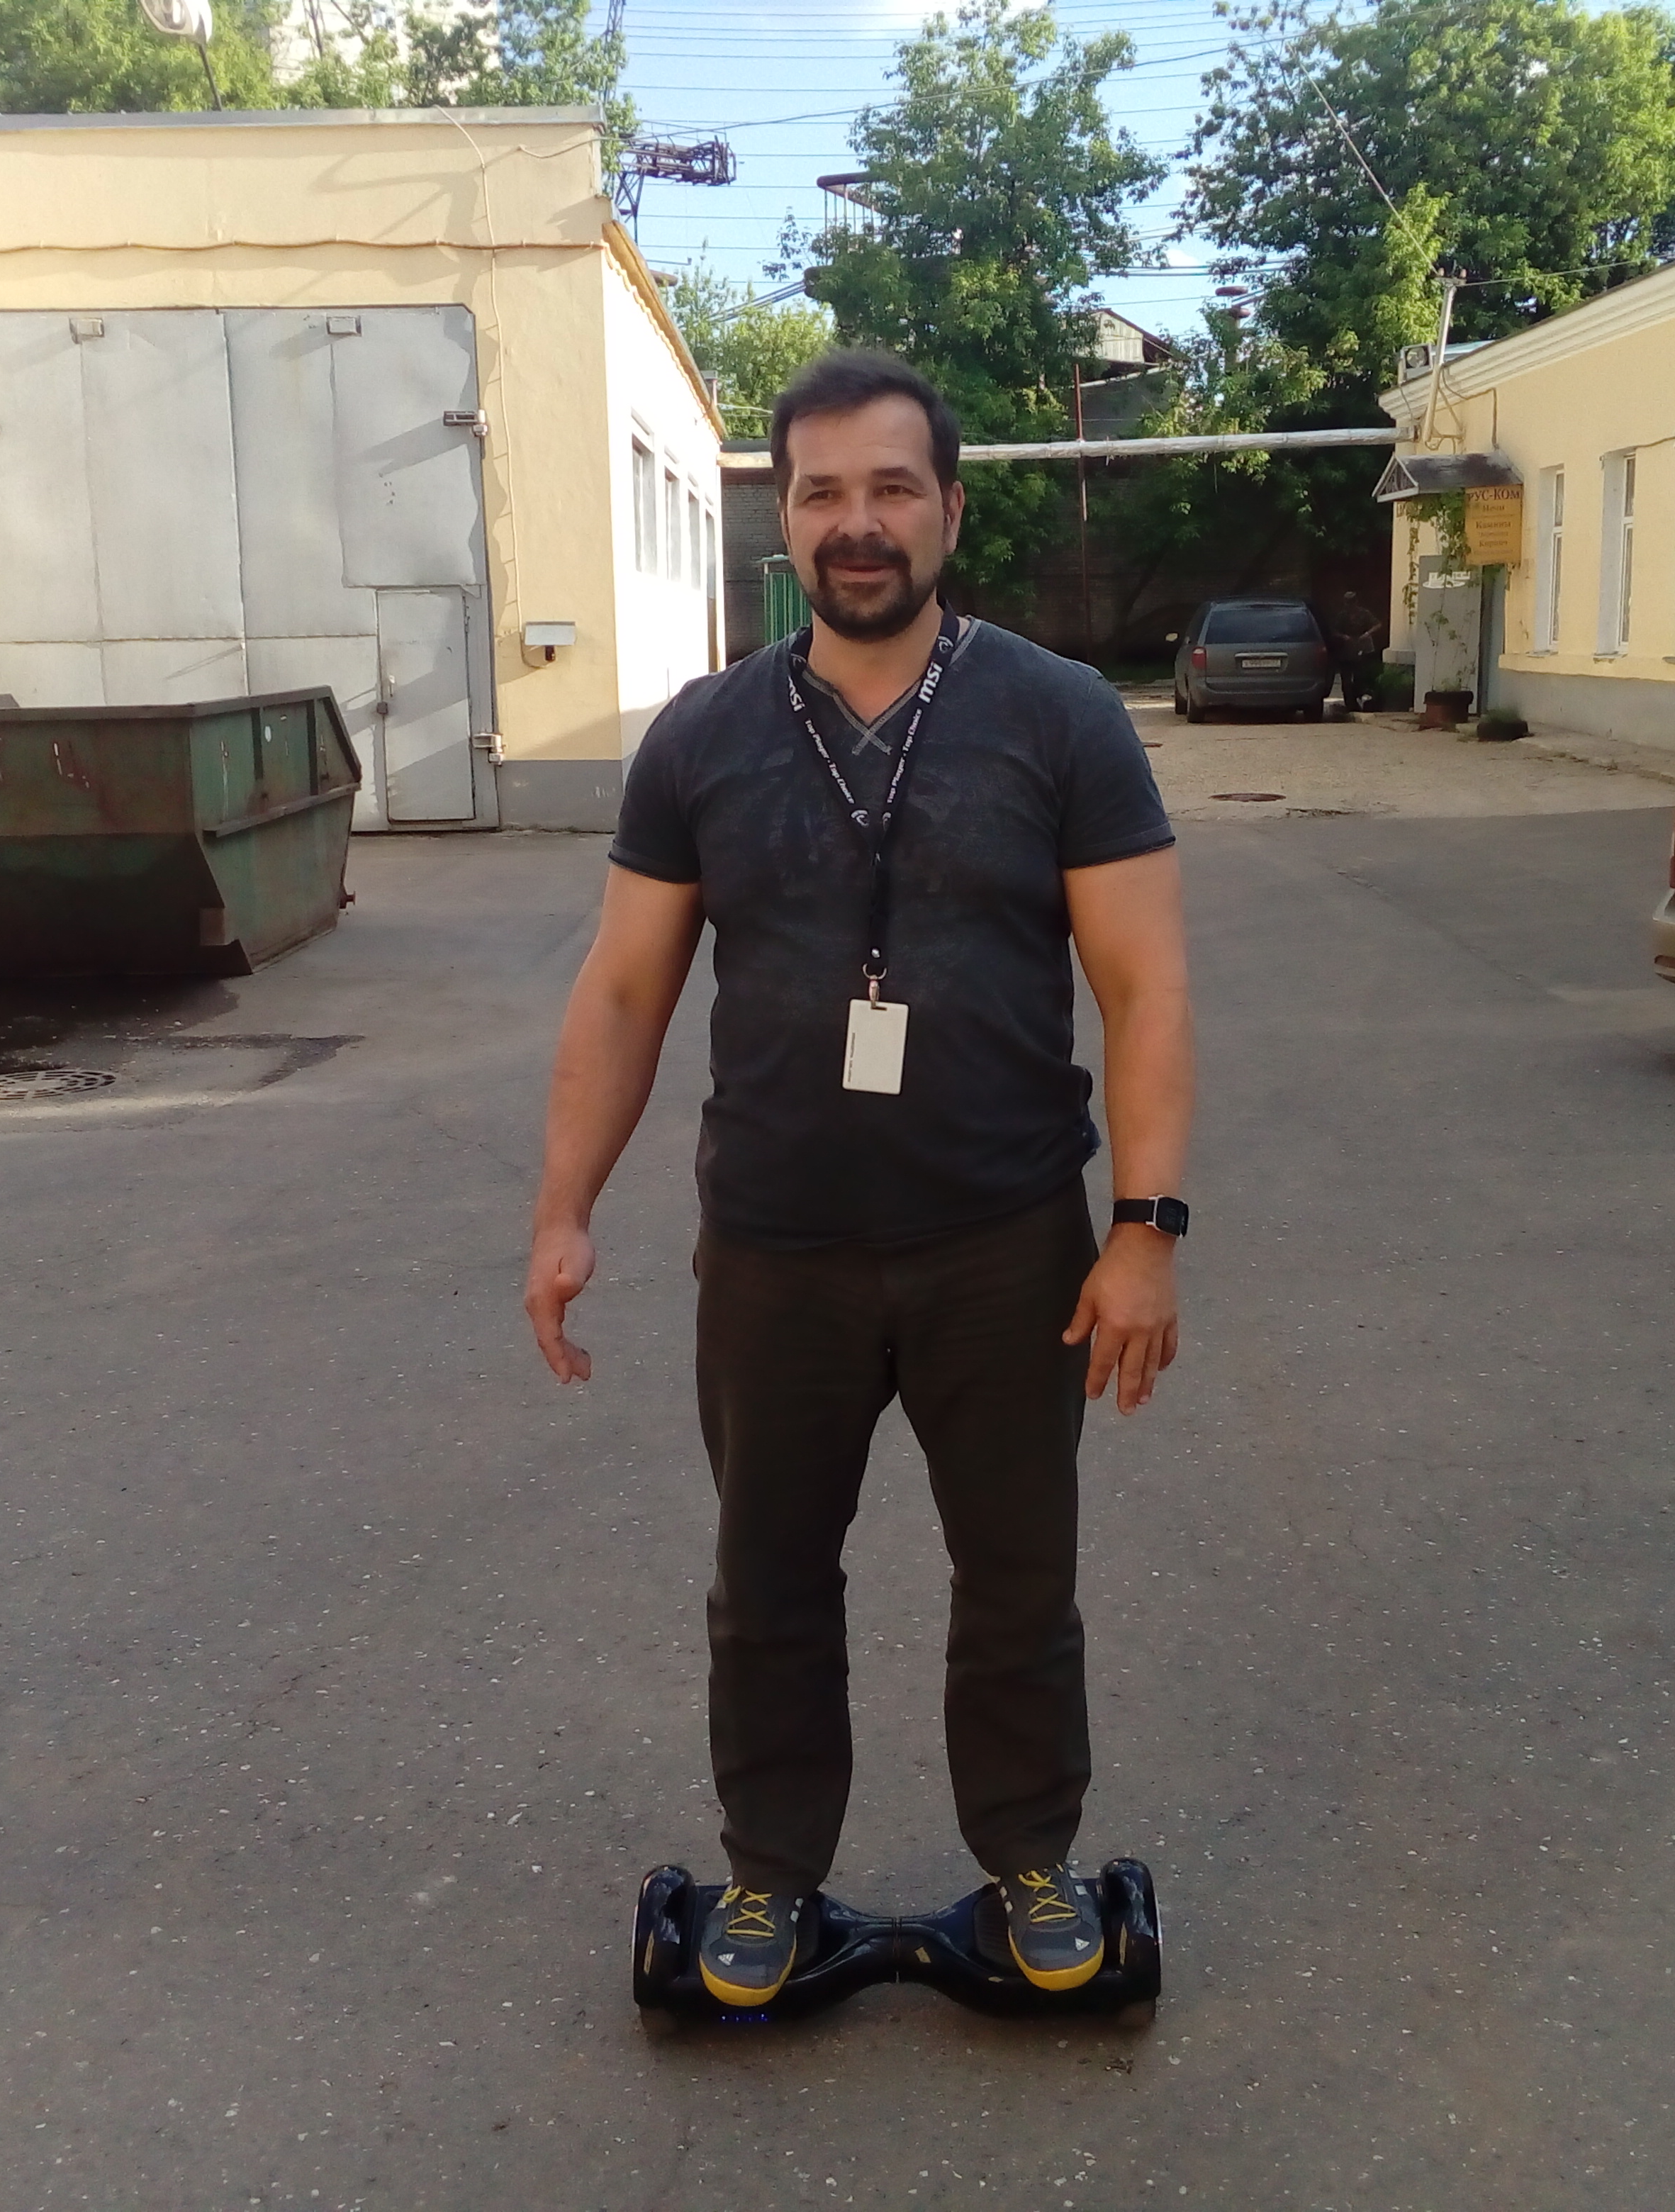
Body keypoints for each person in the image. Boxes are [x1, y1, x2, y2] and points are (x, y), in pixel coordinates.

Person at [523, 351, 1196, 2008]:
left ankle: (1030, 1860)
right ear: (786, 520)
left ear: (949, 508)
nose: (858, 522)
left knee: (1018, 1581)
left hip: (1005, 1241)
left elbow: (1143, 986)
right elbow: (623, 989)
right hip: (777, 1251)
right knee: (765, 1584)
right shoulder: (704, 738)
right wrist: (563, 1206)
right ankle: (768, 1878)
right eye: (822, 492)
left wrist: (1143, 1228)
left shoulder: (1060, 716)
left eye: (892, 487)